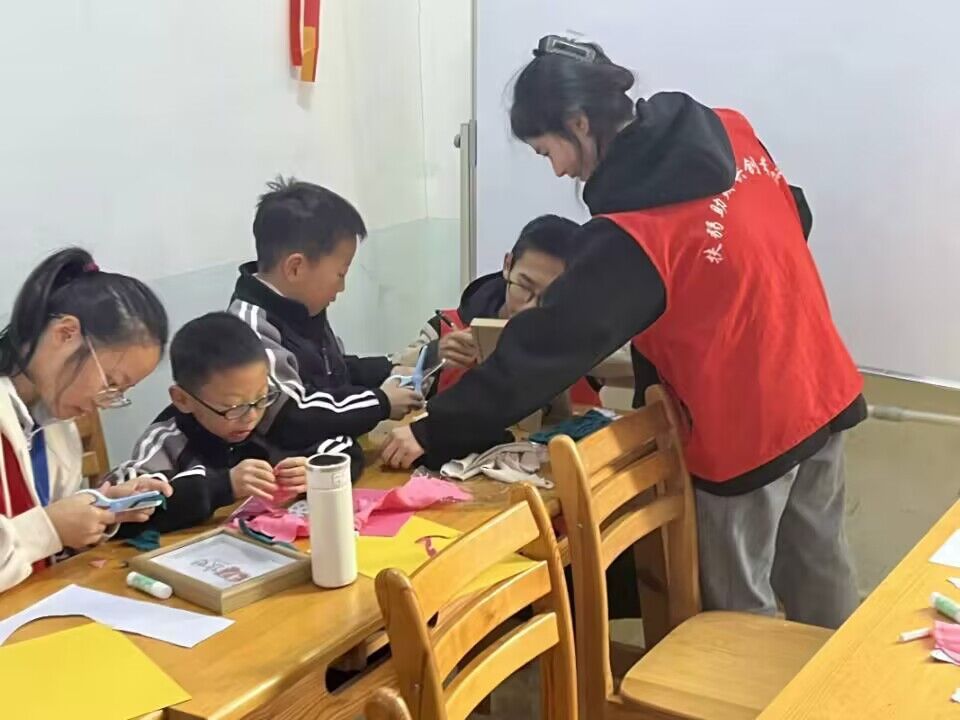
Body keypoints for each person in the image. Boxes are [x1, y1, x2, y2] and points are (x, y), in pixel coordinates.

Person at [383, 36, 866, 629]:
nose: (558, 169)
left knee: (738, 619)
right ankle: (845, 682)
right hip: (819, 382)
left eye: (548, 150)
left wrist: (432, 430)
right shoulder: (729, 130)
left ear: (579, 123)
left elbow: (549, 347)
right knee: (821, 575)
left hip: (746, 423)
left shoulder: (635, 229)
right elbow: (795, 215)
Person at [0, 248, 173, 593]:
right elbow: (42, 530)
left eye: (121, 391)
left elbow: (46, 541)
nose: (105, 402)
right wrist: (50, 529)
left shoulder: (54, 427)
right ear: (65, 334)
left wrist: (103, 508)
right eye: (111, 382)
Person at [228, 177, 423, 467]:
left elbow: (334, 373)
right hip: (279, 465)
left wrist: (390, 368)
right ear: (296, 268)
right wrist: (380, 402)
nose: (341, 288)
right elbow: (292, 415)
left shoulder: (301, 306)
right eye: (340, 274)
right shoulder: (251, 327)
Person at [109, 313, 351, 534]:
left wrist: (318, 472)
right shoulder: (165, 442)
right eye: (234, 407)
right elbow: (121, 511)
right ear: (183, 400)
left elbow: (346, 445)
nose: (251, 416)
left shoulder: (272, 415)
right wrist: (225, 486)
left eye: (262, 397)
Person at [392, 214, 604, 404]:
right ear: (508, 264)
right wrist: (432, 354)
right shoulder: (446, 327)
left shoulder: (590, 340)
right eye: (524, 287)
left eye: (551, 298)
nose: (529, 309)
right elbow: (387, 385)